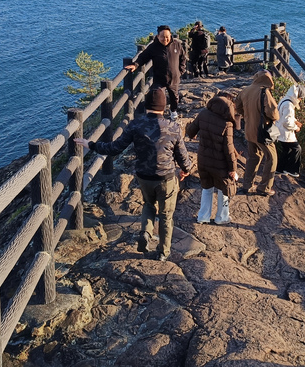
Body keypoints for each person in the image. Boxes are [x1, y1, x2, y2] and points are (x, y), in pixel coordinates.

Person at [76, 88, 192, 261]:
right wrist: (186, 169)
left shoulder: (136, 125)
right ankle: (163, 252)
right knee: (166, 216)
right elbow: (182, 155)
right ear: (164, 106)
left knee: (148, 205)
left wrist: (91, 144)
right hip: (166, 177)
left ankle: (145, 232)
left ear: (146, 105)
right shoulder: (173, 127)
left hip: (144, 176)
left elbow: (114, 148)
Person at [186, 90, 239, 225]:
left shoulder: (203, 114)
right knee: (224, 189)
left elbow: (191, 132)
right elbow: (229, 148)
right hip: (220, 163)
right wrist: (233, 168)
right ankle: (222, 217)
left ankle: (203, 216)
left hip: (203, 160)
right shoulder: (227, 123)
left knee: (206, 187)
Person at [125, 25, 186, 120]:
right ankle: (156, 116)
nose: (165, 39)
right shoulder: (153, 47)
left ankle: (173, 110)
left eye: (167, 37)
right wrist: (135, 64)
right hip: (159, 77)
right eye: (163, 37)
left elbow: (183, 58)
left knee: (174, 97)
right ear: (158, 36)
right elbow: (143, 57)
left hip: (174, 77)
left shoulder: (176, 45)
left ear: (170, 35)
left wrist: (181, 71)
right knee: (157, 96)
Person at [234, 70, 279, 196]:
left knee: (253, 156)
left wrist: (246, 115)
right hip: (261, 132)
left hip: (249, 130)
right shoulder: (264, 92)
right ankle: (264, 187)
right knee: (272, 157)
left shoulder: (246, 90)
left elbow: (237, 105)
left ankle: (247, 185)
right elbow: (274, 113)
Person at [275, 83, 305, 177]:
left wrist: (295, 121)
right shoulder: (289, 105)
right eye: (301, 98)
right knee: (297, 148)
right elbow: (287, 122)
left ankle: (280, 168)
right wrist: (296, 127)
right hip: (285, 133)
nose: (300, 100)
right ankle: (292, 170)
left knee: (287, 150)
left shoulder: (285, 99)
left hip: (279, 129)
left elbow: (284, 116)